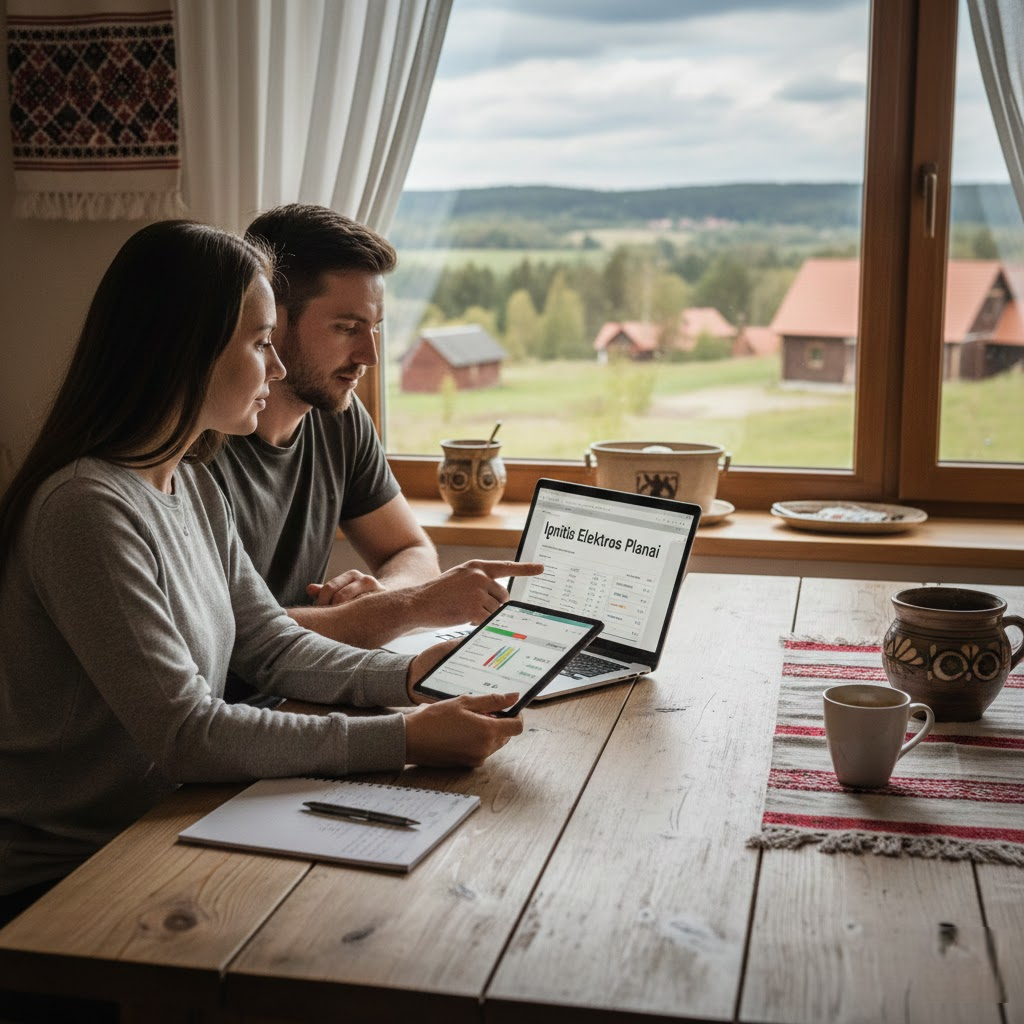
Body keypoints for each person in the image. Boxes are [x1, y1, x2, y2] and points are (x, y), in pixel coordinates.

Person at [0, 221, 522, 922]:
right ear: (185, 350)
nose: (274, 369)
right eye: (258, 343)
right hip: (69, 877)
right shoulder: (86, 510)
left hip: (176, 822)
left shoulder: (190, 484)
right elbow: (186, 733)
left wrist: (408, 679)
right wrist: (403, 737)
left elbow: (270, 645)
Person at [209, 205, 542, 679]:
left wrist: (384, 595)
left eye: (375, 328)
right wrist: (404, 608)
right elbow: (232, 641)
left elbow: (410, 549)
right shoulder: (197, 446)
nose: (369, 356)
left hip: (311, 688)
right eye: (347, 328)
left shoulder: (339, 417)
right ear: (271, 322)